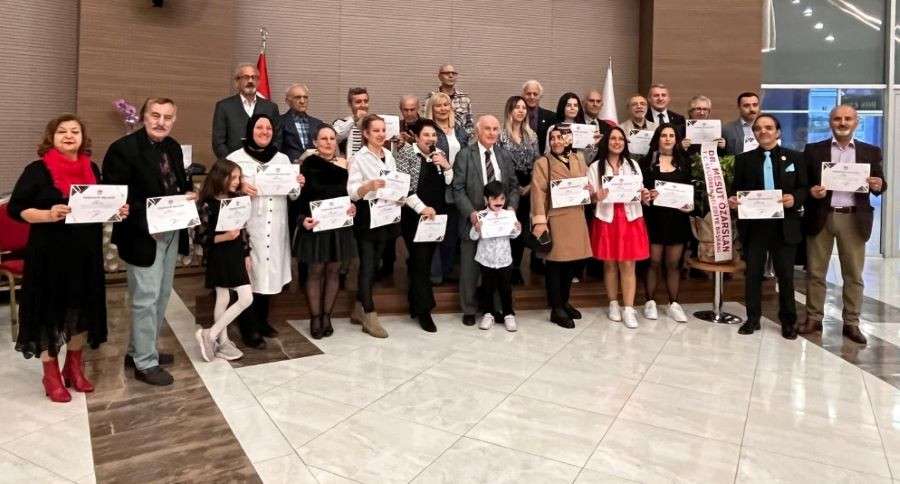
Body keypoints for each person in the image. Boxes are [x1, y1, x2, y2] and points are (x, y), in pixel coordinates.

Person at [9, 114, 128, 402]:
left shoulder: (92, 168)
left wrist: (116, 211)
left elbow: (99, 205)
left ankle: (73, 368)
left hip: (86, 254)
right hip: (48, 256)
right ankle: (50, 374)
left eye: (75, 131)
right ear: (51, 138)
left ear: (82, 137)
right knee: (48, 312)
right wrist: (48, 214)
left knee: (82, 311)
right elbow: (16, 208)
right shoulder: (37, 170)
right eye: (62, 131)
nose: (69, 135)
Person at [104, 97, 193, 386]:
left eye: (167, 117)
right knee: (145, 298)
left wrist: (188, 195)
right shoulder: (122, 149)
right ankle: (145, 363)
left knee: (162, 294)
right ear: (143, 116)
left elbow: (179, 184)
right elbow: (116, 198)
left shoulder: (173, 147)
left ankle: (139, 350)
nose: (161, 122)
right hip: (141, 235)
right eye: (155, 115)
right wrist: (150, 217)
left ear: (174, 120)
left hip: (171, 231)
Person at [800, 105, 886, 345]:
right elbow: (803, 184)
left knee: (853, 274)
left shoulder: (870, 151)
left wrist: (879, 184)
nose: (842, 122)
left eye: (848, 118)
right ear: (830, 122)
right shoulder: (813, 150)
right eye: (837, 118)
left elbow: (880, 183)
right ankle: (813, 318)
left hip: (853, 218)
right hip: (821, 216)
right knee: (816, 272)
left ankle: (852, 323)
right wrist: (811, 192)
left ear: (856, 122)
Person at [227, 114, 305, 349]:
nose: (264, 131)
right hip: (250, 226)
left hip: (276, 224)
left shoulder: (282, 159)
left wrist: (298, 183)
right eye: (259, 127)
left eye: (268, 128)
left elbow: (293, 195)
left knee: (268, 275)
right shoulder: (235, 158)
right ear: (250, 130)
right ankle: (247, 327)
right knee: (249, 275)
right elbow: (221, 189)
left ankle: (262, 321)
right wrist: (239, 186)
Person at [728, 114, 807, 339]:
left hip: (785, 225)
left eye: (769, 127)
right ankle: (753, 319)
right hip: (755, 227)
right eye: (758, 128)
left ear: (778, 132)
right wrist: (733, 200)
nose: (763, 131)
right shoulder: (743, 160)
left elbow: (804, 188)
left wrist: (795, 198)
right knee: (753, 275)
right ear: (754, 133)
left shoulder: (794, 157)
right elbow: (736, 190)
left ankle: (788, 322)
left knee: (786, 276)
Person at [452, 115, 520, 326]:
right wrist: (471, 213)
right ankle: (469, 309)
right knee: (470, 269)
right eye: (487, 129)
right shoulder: (465, 155)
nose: (492, 133)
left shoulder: (504, 155)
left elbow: (513, 186)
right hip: (474, 221)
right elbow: (458, 188)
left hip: (499, 223)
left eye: (495, 129)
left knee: (497, 269)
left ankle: (496, 308)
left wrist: (511, 208)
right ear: (478, 131)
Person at [530, 126, 594, 328]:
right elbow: (538, 193)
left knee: (571, 265)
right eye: (553, 138)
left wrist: (589, 190)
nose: (557, 141)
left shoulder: (579, 159)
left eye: (561, 137)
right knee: (555, 266)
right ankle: (556, 308)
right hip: (555, 220)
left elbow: (585, 184)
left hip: (576, 218)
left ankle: (565, 302)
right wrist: (540, 221)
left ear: (569, 139)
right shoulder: (543, 162)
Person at [297, 125, 357, 339]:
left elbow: (351, 194)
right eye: (324, 138)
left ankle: (326, 316)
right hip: (316, 224)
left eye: (332, 138)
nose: (329, 142)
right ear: (315, 142)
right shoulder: (307, 164)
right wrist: (302, 220)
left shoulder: (345, 163)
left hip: (339, 226)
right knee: (315, 271)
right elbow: (300, 198)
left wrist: (353, 207)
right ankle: (315, 317)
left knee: (333, 271)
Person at [395, 119, 454, 332]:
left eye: (434, 135)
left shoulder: (439, 154)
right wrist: (422, 209)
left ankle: (415, 303)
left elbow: (449, 182)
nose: (431, 139)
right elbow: (404, 189)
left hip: (436, 217)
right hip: (414, 215)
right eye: (426, 135)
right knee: (420, 261)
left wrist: (447, 167)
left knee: (424, 261)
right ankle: (425, 310)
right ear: (417, 138)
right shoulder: (406, 154)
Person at [589, 127, 651, 329]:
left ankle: (629, 308)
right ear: (606, 142)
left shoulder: (633, 165)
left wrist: (644, 195)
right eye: (613, 139)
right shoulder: (595, 166)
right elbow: (590, 197)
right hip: (607, 218)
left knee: (628, 264)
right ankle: (613, 303)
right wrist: (595, 195)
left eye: (620, 139)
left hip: (630, 218)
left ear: (625, 143)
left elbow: (640, 191)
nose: (617, 142)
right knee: (609, 264)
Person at [347, 114, 402, 338]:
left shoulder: (389, 155)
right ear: (366, 134)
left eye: (383, 130)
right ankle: (369, 313)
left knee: (376, 264)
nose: (381, 134)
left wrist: (399, 195)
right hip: (367, 216)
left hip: (386, 214)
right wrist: (368, 186)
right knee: (368, 265)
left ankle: (358, 307)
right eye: (376, 131)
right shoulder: (358, 158)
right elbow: (352, 192)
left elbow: (394, 182)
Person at [194, 160, 253, 362]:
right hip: (219, 255)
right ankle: (213, 336)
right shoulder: (206, 204)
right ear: (220, 176)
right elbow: (200, 237)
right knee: (241, 297)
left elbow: (243, 229)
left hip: (236, 253)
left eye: (239, 177)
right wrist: (224, 237)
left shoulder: (237, 199)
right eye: (233, 177)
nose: (237, 181)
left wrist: (246, 253)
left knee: (226, 297)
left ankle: (218, 339)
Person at [640, 124, 693, 323]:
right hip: (653, 219)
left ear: (676, 140)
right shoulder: (647, 162)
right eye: (664, 135)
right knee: (653, 262)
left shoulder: (685, 162)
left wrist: (689, 206)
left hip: (677, 219)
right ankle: (650, 302)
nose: (668, 139)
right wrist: (646, 196)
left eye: (672, 135)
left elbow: (690, 191)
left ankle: (674, 303)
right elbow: (640, 191)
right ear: (657, 139)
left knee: (673, 264)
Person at [425, 91, 470, 284]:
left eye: (446, 105)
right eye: (438, 105)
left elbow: (467, 154)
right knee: (435, 231)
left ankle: (447, 269)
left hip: (456, 185)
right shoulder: (429, 130)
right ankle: (434, 275)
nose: (443, 109)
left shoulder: (459, 130)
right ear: (432, 108)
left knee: (451, 233)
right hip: (435, 185)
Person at [497, 95, 539, 284]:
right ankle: (504, 266)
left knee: (521, 227)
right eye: (517, 107)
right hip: (506, 185)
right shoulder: (501, 135)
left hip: (528, 186)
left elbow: (538, 161)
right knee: (506, 226)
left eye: (523, 107)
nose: (521, 110)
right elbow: (497, 162)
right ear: (509, 110)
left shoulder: (532, 135)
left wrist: (530, 185)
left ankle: (516, 267)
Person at [471, 181, 522, 331]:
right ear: (486, 199)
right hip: (486, 259)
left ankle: (508, 314)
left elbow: (514, 235)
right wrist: (476, 228)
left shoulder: (509, 215)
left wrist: (517, 229)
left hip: (504, 259)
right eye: (494, 199)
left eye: (502, 198)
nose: (498, 202)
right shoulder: (481, 215)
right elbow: (473, 236)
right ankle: (488, 314)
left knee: (505, 288)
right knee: (487, 287)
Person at [212, 64, 280, 159]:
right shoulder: (224, 106)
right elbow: (218, 142)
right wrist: (231, 163)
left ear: (258, 82)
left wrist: (265, 160)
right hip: (233, 164)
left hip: (264, 163)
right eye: (246, 77)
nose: (250, 81)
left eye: (254, 77)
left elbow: (277, 139)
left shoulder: (271, 107)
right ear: (237, 82)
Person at [426, 64, 474, 139]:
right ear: (439, 76)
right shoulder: (431, 98)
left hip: (461, 141)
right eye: (447, 73)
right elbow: (426, 121)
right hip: (438, 140)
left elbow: (470, 124)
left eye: (453, 73)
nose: (451, 76)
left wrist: (464, 138)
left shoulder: (465, 99)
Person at [280, 83, 323, 163]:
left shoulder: (318, 124)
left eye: (305, 97)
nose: (302, 101)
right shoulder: (279, 121)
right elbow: (275, 150)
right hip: (288, 167)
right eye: (297, 97)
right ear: (287, 101)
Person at [522, 79, 557, 153]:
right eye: (528, 94)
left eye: (535, 94)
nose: (532, 97)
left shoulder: (551, 117)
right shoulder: (517, 116)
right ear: (523, 95)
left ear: (540, 96)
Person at [334, 87, 370, 159]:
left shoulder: (375, 124)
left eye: (365, 101)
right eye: (358, 102)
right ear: (350, 104)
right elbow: (336, 135)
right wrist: (355, 119)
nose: (363, 105)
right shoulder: (341, 122)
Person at [582, 89, 613, 162]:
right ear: (583, 103)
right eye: (591, 101)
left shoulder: (608, 127)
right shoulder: (576, 124)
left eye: (598, 101)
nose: (595, 104)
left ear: (602, 105)